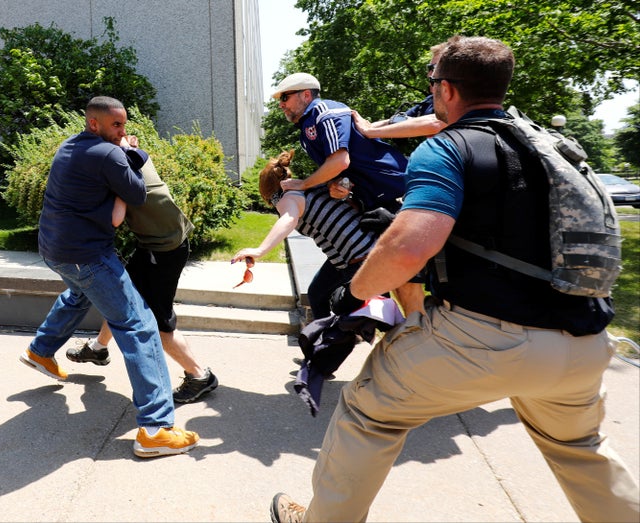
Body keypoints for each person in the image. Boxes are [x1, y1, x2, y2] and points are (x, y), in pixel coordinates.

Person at [270, 36, 639, 523]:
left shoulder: (446, 149)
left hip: (487, 337)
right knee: (581, 448)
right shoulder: (549, 144)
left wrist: (352, 292)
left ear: (444, 90)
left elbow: (408, 247)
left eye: (431, 82)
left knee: (366, 411)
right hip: (585, 341)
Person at [19, 96, 199, 458]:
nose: (123, 131)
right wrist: (132, 154)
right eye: (116, 125)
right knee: (139, 325)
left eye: (124, 124)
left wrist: (121, 156)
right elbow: (135, 193)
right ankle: (156, 429)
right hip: (88, 257)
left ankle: (41, 351)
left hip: (54, 250)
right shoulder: (111, 154)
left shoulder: (70, 145)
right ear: (94, 124)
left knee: (78, 294)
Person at [66, 148, 219, 404]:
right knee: (120, 296)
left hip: (164, 250)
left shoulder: (119, 175)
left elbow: (115, 219)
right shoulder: (132, 155)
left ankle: (199, 376)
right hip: (156, 244)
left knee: (160, 324)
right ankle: (98, 349)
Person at [231, 150, 424, 321]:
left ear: (266, 192)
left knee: (375, 315)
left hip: (361, 257)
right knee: (317, 293)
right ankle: (321, 343)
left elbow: (288, 219)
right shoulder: (307, 187)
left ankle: (395, 345)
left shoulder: (286, 198)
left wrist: (260, 250)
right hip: (355, 254)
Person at [272, 73, 407, 213]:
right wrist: (334, 185)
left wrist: (304, 184)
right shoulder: (305, 134)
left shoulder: (324, 111)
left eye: (285, 97)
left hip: (403, 191)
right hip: (379, 204)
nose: (281, 105)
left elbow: (340, 161)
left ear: (306, 95)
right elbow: (334, 171)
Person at [351, 41, 449, 142]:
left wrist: (369, 132)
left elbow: (436, 123)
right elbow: (397, 121)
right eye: (429, 68)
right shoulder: (430, 101)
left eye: (433, 68)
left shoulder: (463, 99)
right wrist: (362, 128)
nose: (429, 74)